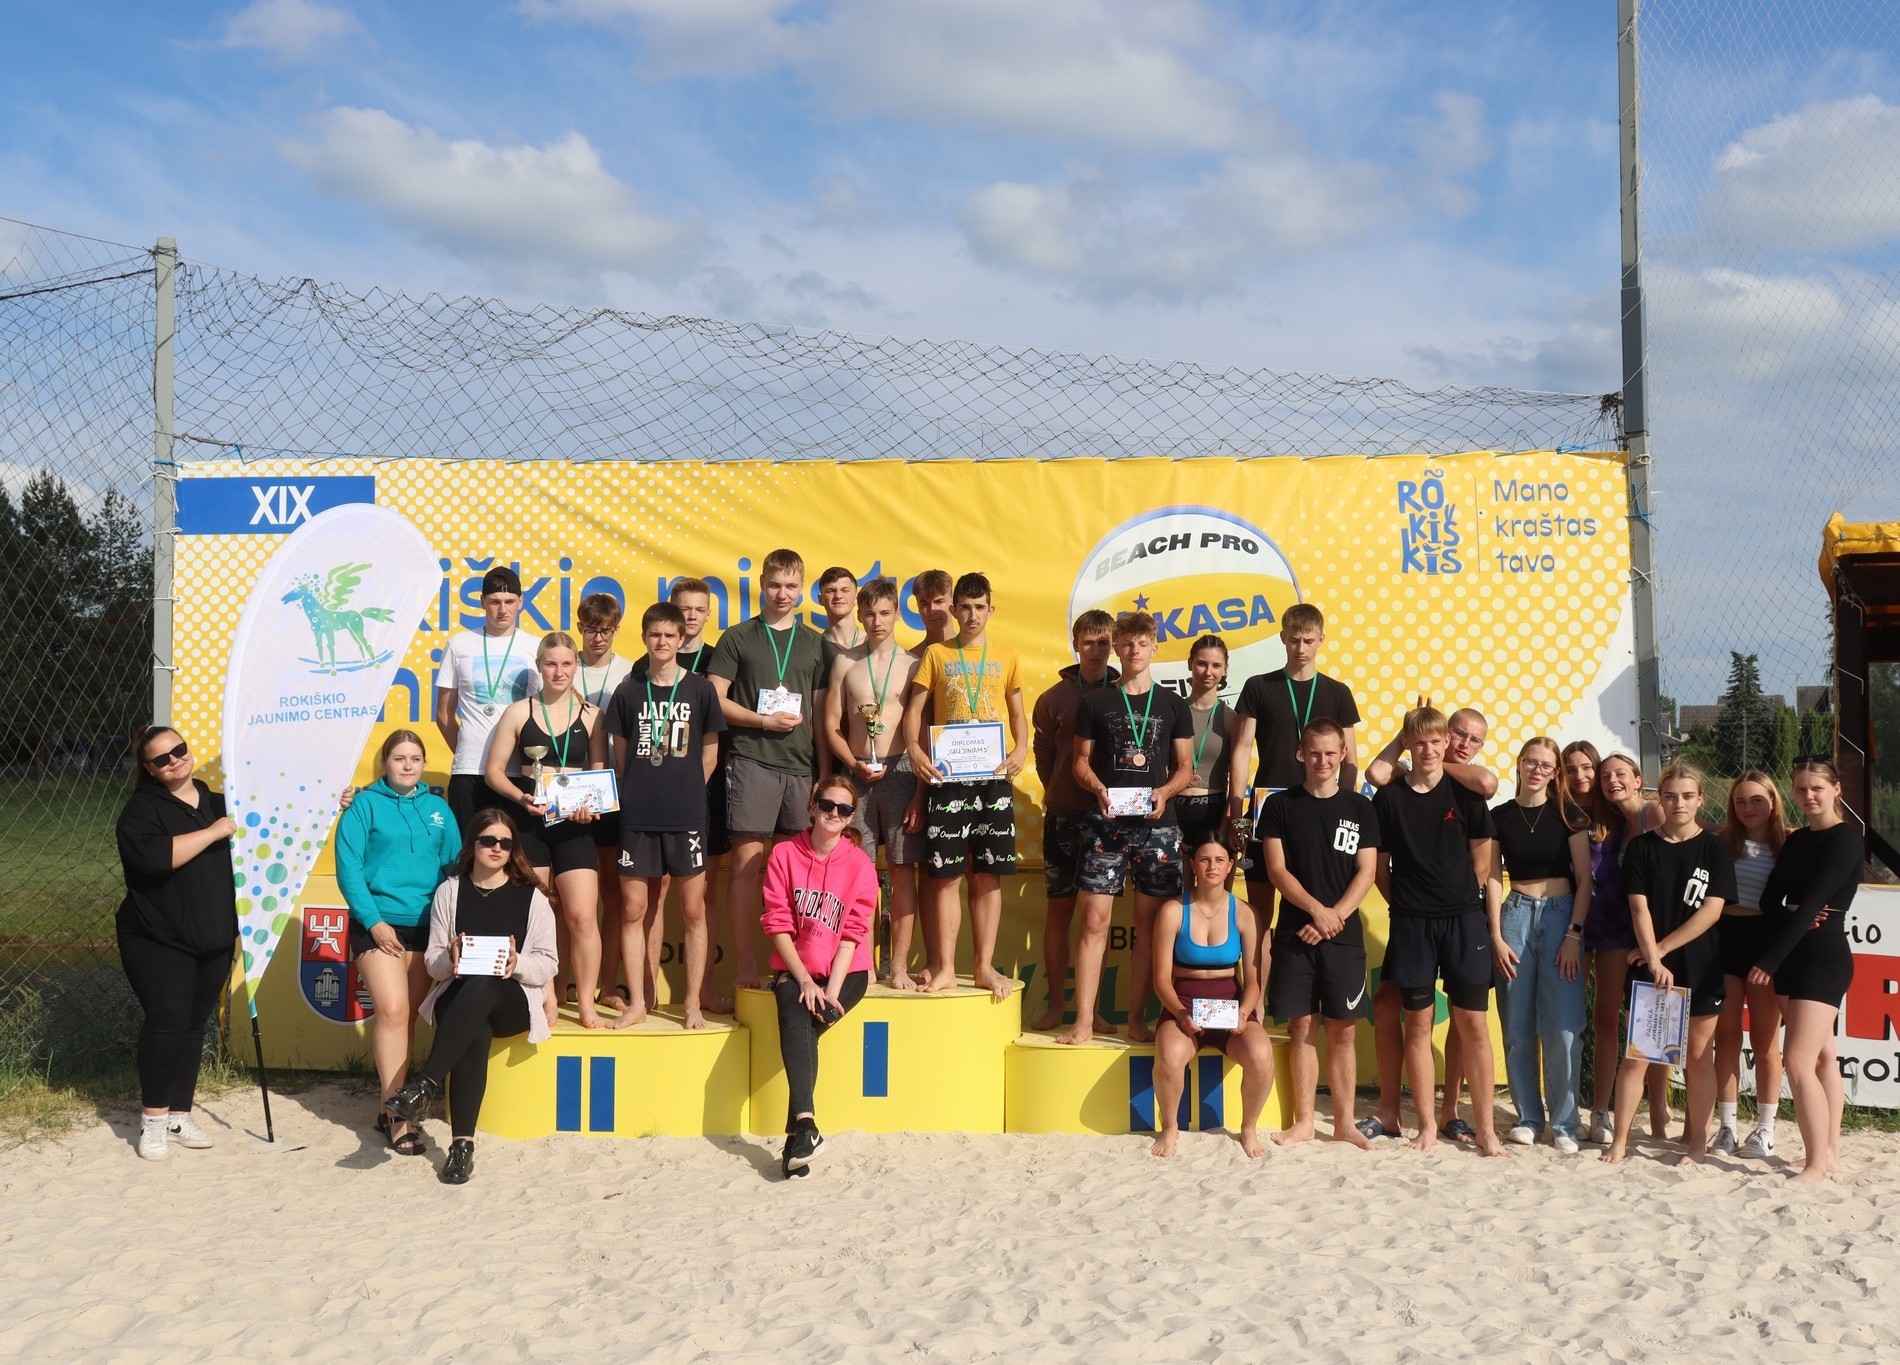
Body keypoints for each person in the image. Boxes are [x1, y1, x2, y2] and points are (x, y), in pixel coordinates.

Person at [386, 809, 559, 1185]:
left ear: (513, 850)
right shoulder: (450, 891)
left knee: (483, 985)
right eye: (488, 840)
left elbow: (548, 964)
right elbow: (433, 964)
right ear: (473, 844)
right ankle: (461, 1148)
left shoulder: (532, 897)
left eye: (505, 843)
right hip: (459, 996)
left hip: (511, 1001)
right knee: (473, 1028)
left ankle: (425, 1084)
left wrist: (517, 962)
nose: (497, 848)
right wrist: (450, 957)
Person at [1369, 707, 1506, 1155]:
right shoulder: (1389, 798)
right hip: (1413, 923)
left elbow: (1482, 864)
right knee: (1418, 1024)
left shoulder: (1466, 794)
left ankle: (1486, 1131)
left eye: (1435, 741)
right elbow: (1380, 869)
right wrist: (1409, 905)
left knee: (1474, 1026)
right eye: (1419, 742)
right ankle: (1426, 1125)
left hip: (1464, 921)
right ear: (1407, 745)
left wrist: (1455, 901)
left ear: (1446, 743)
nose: (1428, 750)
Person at [1061, 610, 1195, 1045]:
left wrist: (1165, 792)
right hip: (1106, 823)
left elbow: (1185, 767)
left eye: (1142, 643)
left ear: (1154, 647)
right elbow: (1080, 762)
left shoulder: (1174, 704)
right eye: (1127, 643)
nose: (1135, 650)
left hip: (1158, 826)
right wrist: (1098, 788)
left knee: (1151, 927)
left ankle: (1137, 1019)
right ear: (1116, 647)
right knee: (1093, 921)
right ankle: (1084, 1020)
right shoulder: (1095, 703)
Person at [710, 549, 834, 995]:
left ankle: (789, 964)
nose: (783, 594)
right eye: (775, 585)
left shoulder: (816, 643)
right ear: (761, 584)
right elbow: (715, 698)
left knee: (794, 876)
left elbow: (822, 716)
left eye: (791, 586)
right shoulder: (737, 637)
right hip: (752, 762)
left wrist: (824, 774)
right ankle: (746, 962)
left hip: (801, 769)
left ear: (802, 589)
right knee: (746, 867)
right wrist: (762, 721)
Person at [333, 729, 461, 1155]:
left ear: (424, 764)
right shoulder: (363, 805)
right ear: (385, 763)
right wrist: (374, 922)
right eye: (399, 758)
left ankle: (386, 1105)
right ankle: (397, 1115)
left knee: (405, 1020)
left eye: (415, 758)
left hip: (426, 927)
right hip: (378, 925)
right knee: (391, 1010)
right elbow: (349, 868)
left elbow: (454, 867)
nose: (407, 765)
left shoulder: (439, 809)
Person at [902, 571, 1028, 1001]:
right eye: (966, 608)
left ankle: (983, 966)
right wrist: (914, 750)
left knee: (989, 874)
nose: (972, 615)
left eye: (980, 607)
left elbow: (1017, 713)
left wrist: (1022, 749)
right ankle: (945, 968)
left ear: (991, 610)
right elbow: (915, 711)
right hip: (948, 777)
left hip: (993, 778)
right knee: (945, 875)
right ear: (953, 610)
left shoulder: (1007, 655)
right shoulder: (936, 654)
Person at [115, 725, 237, 1161]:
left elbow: (277, 826)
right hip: (156, 935)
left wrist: (334, 803)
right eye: (161, 759)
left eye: (179, 750)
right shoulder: (141, 810)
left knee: (194, 1024)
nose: (174, 760)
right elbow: (154, 859)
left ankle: (179, 1114)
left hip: (214, 934)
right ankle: (152, 1120)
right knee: (167, 1020)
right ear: (148, 768)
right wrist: (214, 832)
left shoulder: (221, 802)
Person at [1604, 763, 1735, 1166]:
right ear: (1659, 799)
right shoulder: (1643, 848)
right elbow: (1638, 908)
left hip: (1700, 962)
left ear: (1701, 800)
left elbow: (1712, 911)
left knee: (1698, 1057)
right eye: (1671, 796)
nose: (1679, 803)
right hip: (1651, 965)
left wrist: (1658, 951)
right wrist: (1654, 958)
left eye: (1687, 796)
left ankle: (1697, 1144)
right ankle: (1620, 1142)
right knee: (1639, 1057)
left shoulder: (1714, 848)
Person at [606, 603, 726, 1028]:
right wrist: (643, 791)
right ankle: (638, 1002)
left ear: (681, 639)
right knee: (634, 909)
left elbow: (710, 754)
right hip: (638, 816)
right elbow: (621, 759)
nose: (662, 642)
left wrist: (687, 790)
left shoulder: (700, 690)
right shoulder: (628, 691)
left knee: (693, 909)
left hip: (686, 816)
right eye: (654, 635)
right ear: (644, 638)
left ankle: (692, 1003)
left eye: (669, 635)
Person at [1261, 719, 1379, 1149]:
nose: (1323, 761)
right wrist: (1316, 912)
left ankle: (1345, 1123)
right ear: (1301, 754)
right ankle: (1306, 1122)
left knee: (1343, 1029)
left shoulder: (1361, 807)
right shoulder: (1278, 805)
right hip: (1296, 933)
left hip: (1342, 936)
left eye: (1331, 753)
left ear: (1343, 754)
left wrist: (1334, 918)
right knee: (1302, 1026)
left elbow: (1367, 871)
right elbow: (1277, 870)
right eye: (1314, 753)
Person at [483, 632, 608, 1026]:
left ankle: (585, 1002)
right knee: (538, 915)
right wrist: (520, 798)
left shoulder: (592, 715)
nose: (559, 671)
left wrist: (590, 806)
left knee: (582, 916)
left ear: (576, 666)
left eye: (566, 664)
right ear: (539, 666)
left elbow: (598, 771)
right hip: (529, 821)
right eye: (551, 664)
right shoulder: (518, 712)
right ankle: (547, 997)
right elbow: (493, 772)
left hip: (574, 824)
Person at [1750, 759, 1863, 1183]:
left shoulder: (1845, 840)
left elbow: (1815, 902)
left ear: (1837, 789)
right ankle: (1828, 1153)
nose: (1808, 796)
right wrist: (1791, 915)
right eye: (1800, 789)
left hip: (1823, 957)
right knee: (1822, 1056)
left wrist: (1768, 960)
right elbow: (1770, 900)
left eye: (1816, 787)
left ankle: (1817, 1162)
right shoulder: (1797, 841)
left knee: (1796, 1061)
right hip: (1793, 956)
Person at [762, 776, 879, 1178]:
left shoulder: (860, 864)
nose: (833, 814)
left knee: (805, 1027)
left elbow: (852, 935)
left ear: (851, 817)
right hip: (798, 968)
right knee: (794, 1011)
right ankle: (805, 1128)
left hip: (848, 972)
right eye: (827, 805)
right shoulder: (784, 854)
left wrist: (830, 991)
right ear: (812, 806)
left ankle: (799, 1132)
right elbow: (778, 924)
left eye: (843, 809)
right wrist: (806, 981)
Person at [1486, 737, 1593, 1152]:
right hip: (1515, 915)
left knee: (1563, 1028)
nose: (1537, 770)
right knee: (1516, 1026)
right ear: (1519, 764)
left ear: (1555, 773)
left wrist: (1573, 934)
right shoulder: (1499, 817)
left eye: (1546, 765)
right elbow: (1493, 877)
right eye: (1531, 762)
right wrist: (1496, 934)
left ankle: (1565, 1123)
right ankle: (1528, 1117)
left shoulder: (1569, 815)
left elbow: (1585, 881)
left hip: (1562, 916)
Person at [1226, 604, 1359, 929]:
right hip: (1266, 808)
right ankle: (1257, 967)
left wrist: (1341, 809)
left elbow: (1350, 760)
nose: (1301, 648)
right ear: (1283, 637)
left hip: (1317, 811)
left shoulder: (1338, 692)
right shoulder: (1259, 686)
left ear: (1321, 640)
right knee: (1259, 913)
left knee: (1316, 902)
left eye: (1308, 641)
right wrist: (1236, 812)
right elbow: (1242, 750)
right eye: (1294, 640)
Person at [632, 577, 731, 1011]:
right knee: (654, 894)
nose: (689, 616)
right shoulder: (641, 669)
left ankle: (702, 990)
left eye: (697, 609)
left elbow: (713, 742)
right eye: (682, 608)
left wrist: (690, 789)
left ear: (708, 613)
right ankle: (647, 992)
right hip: (651, 799)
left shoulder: (717, 660)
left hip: (699, 794)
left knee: (701, 898)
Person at [822, 578, 925, 987]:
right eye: (869, 614)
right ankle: (860, 963)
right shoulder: (844, 662)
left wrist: (920, 792)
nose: (877, 621)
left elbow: (923, 734)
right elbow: (831, 724)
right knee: (856, 873)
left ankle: (898, 965)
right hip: (855, 775)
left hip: (901, 771)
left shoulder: (913, 664)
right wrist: (851, 764)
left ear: (898, 614)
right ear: (859, 616)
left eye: (884, 613)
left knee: (902, 870)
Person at [1150, 840, 1277, 1158]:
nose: (1212, 866)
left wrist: (1244, 1013)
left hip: (1231, 1008)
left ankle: (1249, 1128)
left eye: (1220, 860)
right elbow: (1161, 980)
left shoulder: (1245, 913)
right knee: (1169, 1057)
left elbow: (1253, 981)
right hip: (1184, 1006)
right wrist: (1180, 1014)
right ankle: (1170, 1128)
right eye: (1204, 859)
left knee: (1262, 1057)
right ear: (1193, 864)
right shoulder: (1172, 911)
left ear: (1230, 866)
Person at [1029, 609, 1118, 1032]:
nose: (1096, 649)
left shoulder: (1125, 693)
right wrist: (1059, 790)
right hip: (1063, 816)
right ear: (1076, 644)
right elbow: (1044, 754)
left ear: (1113, 645)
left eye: (1103, 642)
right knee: (1060, 912)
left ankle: (1092, 1009)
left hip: (1109, 819)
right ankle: (1056, 1006)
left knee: (1097, 918)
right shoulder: (1053, 698)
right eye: (1088, 642)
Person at [1580, 751, 1670, 1144]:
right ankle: (1606, 1109)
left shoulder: (1655, 812)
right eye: (1605, 776)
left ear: (1638, 778)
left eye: (1620, 774)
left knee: (1652, 1021)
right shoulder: (1613, 821)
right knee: (1619, 1017)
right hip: (1623, 929)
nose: (1612, 781)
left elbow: (1697, 830)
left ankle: (1660, 1110)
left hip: (1654, 933)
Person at [1714, 770, 1788, 1159]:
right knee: (1726, 1038)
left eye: (1757, 799)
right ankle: (1727, 1127)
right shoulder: (1722, 842)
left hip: (1765, 943)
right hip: (1725, 939)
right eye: (1740, 801)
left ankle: (1765, 1129)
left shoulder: (1789, 845)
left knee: (1765, 1042)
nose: (1748, 808)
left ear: (1773, 802)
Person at [435, 566, 539, 834]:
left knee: (514, 850)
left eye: (509, 602)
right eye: (494, 602)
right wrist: (468, 750)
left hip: (518, 772)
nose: (502, 609)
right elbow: (444, 715)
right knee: (468, 849)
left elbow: (544, 710)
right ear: (482, 602)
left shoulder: (536, 646)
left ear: (521, 602)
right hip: (469, 771)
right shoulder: (459, 644)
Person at [575, 593, 636, 1010]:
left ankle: (609, 985)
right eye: (592, 629)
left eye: (607, 630)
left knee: (613, 893)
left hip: (613, 790)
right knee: (564, 895)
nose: (599, 638)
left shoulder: (629, 672)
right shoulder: (564, 665)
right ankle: (562, 982)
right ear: (580, 628)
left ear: (616, 630)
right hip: (566, 791)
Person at [1175, 635, 1232, 852]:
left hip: (1215, 814)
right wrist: (1168, 827)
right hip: (1173, 814)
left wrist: (1224, 831)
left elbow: (1238, 781)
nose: (1208, 672)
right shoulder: (1173, 712)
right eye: (1201, 664)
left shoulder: (1232, 719)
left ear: (1225, 669)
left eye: (1216, 665)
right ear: (1190, 663)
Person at [816, 566, 860, 651]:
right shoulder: (814, 647)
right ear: (820, 599)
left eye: (845, 590)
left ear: (856, 598)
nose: (838, 596)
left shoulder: (872, 644)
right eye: (831, 591)